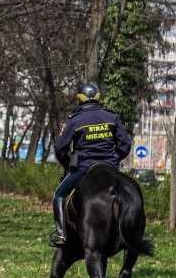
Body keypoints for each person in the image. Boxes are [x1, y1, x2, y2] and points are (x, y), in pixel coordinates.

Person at [50, 82, 132, 248]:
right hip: (110, 166)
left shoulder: (74, 120)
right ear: (97, 98)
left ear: (80, 99)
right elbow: (125, 144)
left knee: (59, 194)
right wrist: (115, 158)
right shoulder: (111, 117)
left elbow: (60, 148)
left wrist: (68, 165)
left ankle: (60, 234)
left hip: (84, 167)